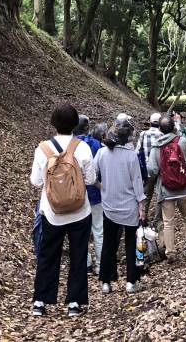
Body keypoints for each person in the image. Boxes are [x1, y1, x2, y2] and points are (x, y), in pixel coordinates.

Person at [30, 103, 96, 318]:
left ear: (53, 123)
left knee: (48, 255)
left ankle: (41, 301)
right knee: (78, 255)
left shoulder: (43, 149)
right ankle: (74, 303)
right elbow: (91, 179)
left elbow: (36, 181)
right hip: (80, 211)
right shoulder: (82, 147)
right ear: (75, 124)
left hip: (52, 212)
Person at [94, 119, 147, 294]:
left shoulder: (101, 153)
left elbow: (91, 176)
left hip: (109, 207)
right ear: (127, 138)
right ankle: (131, 282)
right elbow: (137, 183)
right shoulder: (131, 156)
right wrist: (142, 205)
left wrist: (103, 188)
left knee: (109, 244)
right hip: (130, 207)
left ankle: (106, 282)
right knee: (131, 243)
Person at [145, 115, 186, 258]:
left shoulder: (156, 146)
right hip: (184, 186)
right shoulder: (182, 141)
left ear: (160, 129)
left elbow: (152, 170)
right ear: (173, 127)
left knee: (168, 221)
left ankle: (171, 252)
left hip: (166, 189)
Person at [74, 115, 104, 276]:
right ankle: (100, 264)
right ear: (87, 128)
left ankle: (85, 264)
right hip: (95, 192)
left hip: (76, 194)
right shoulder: (95, 144)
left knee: (80, 231)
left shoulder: (70, 146)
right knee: (98, 229)